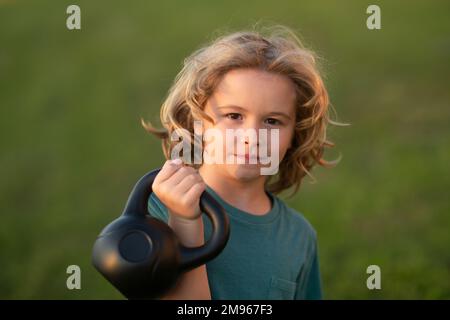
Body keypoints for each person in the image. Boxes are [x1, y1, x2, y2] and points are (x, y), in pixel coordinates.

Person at [141, 25, 340, 300]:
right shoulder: (156, 208)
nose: (252, 137)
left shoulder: (299, 237)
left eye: (272, 121)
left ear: (295, 134)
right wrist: (186, 220)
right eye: (234, 116)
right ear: (196, 122)